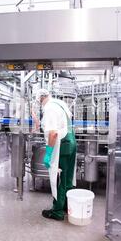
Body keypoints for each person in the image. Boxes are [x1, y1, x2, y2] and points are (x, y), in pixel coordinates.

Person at [35, 88, 77, 221]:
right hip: (71, 142)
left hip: (62, 146)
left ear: (41, 99)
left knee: (58, 178)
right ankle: (66, 206)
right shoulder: (60, 104)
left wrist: (48, 153)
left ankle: (57, 211)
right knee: (67, 178)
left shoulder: (49, 108)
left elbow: (53, 133)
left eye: (39, 102)